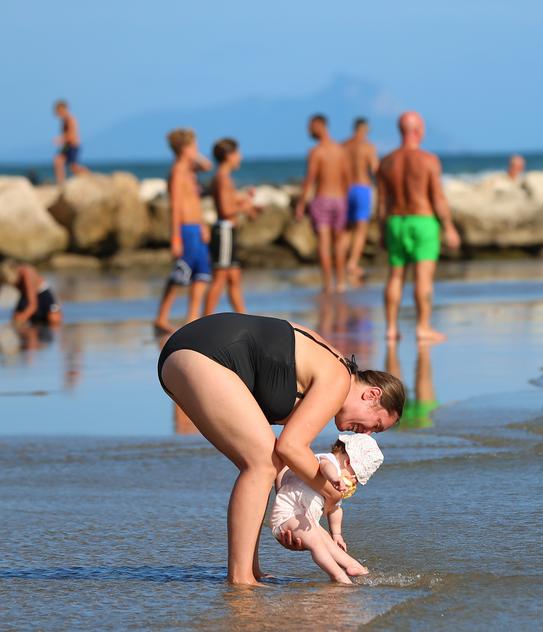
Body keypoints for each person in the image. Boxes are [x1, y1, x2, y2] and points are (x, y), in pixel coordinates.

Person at [157, 311, 405, 585]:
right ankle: (241, 579)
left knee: (263, 463)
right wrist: (331, 492)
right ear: (372, 395)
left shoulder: (334, 377)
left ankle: (250, 571)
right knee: (260, 463)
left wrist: (294, 519)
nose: (367, 433)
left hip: (187, 356)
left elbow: (285, 464)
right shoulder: (339, 381)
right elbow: (290, 447)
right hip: (202, 353)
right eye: (376, 425)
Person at [378, 112, 461, 342]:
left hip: (396, 221)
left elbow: (382, 202)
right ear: (418, 130)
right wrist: (449, 227)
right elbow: (437, 198)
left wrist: (382, 231)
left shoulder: (386, 162)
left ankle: (391, 328)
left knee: (395, 276)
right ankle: (423, 327)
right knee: (423, 277)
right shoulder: (428, 160)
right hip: (423, 220)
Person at [270, 434, 382, 584]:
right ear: (348, 461)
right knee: (316, 542)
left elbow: (335, 508)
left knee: (327, 541)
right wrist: (334, 478)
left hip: (306, 521)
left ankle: (353, 565)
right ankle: (338, 575)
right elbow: (325, 466)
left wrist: (337, 534)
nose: (354, 482)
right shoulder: (328, 461)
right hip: (287, 516)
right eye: (355, 476)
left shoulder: (337, 486)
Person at [153, 128, 213, 334]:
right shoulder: (178, 172)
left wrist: (203, 224)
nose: (197, 149)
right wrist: (176, 236)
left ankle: (192, 319)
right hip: (185, 229)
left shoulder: (190, 170)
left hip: (197, 227)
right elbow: (176, 206)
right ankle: (161, 317)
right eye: (194, 146)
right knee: (181, 274)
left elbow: (207, 166)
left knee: (202, 275)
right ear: (184, 148)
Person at [296, 114, 352, 293]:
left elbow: (310, 179)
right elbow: (347, 178)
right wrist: (347, 201)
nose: (308, 130)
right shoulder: (340, 150)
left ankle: (328, 284)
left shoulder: (316, 152)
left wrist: (301, 204)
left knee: (324, 244)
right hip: (340, 200)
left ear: (320, 126)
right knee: (339, 243)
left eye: (310, 127)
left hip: (322, 199)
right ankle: (341, 283)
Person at [204, 138, 258, 315]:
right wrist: (245, 207)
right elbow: (226, 210)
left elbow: (231, 202)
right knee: (220, 279)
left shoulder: (225, 178)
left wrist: (246, 200)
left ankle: (244, 318)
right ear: (228, 155)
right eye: (237, 154)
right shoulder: (222, 178)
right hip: (224, 231)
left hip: (229, 231)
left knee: (234, 278)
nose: (240, 157)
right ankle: (205, 320)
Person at [343, 118, 379, 280]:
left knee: (346, 228)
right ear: (365, 129)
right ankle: (352, 263)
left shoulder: (343, 146)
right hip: (362, 188)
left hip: (346, 189)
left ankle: (341, 260)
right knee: (361, 228)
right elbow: (374, 169)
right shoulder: (368, 147)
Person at [0, 260, 63, 326]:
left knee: (53, 318)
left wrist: (22, 318)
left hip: (42, 294)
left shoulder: (27, 273)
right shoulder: (4, 275)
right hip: (25, 296)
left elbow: (32, 305)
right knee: (16, 316)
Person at [52, 100, 88, 186]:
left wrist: (61, 139)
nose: (57, 113)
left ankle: (89, 176)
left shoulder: (70, 120)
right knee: (58, 161)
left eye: (59, 111)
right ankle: (61, 183)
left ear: (64, 109)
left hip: (73, 146)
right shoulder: (64, 121)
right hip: (67, 146)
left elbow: (72, 135)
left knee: (74, 168)